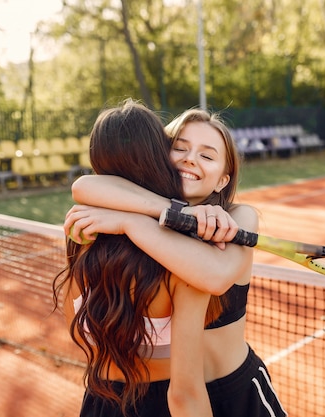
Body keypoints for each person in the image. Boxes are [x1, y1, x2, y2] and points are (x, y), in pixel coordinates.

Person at [66, 107, 287, 416]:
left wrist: (130, 223)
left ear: (223, 180)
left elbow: (216, 275)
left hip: (232, 394)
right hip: (174, 396)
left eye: (207, 156)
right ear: (159, 156)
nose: (190, 159)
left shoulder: (239, 217)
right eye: (179, 148)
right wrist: (176, 212)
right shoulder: (150, 216)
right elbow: (84, 186)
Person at [53, 99, 217, 417]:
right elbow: (185, 394)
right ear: (160, 155)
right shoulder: (183, 253)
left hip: (97, 402)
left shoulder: (79, 231)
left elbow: (74, 320)